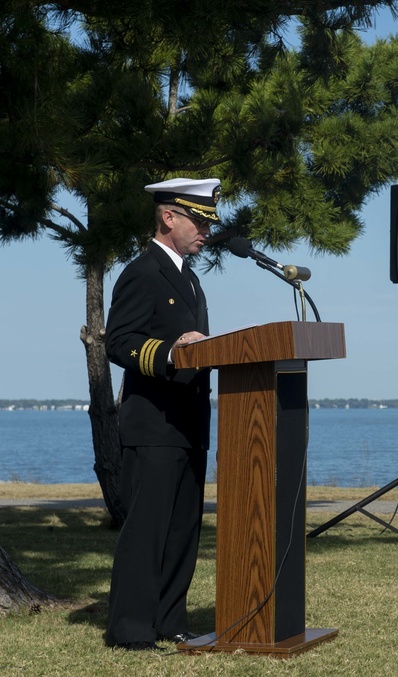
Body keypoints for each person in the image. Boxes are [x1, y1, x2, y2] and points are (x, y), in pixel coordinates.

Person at [104, 177, 219, 650]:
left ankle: (169, 621)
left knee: (181, 532)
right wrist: (170, 351)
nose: (206, 231)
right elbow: (118, 342)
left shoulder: (190, 278)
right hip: (153, 425)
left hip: (188, 422)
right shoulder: (142, 272)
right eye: (199, 219)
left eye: (210, 222)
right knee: (147, 532)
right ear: (168, 216)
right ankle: (130, 631)